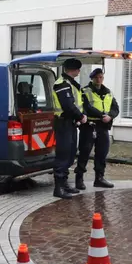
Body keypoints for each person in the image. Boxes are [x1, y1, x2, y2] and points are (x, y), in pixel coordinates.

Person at [75, 68, 119, 189]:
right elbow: (87, 107)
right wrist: (101, 115)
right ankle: (79, 179)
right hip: (89, 126)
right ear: (92, 78)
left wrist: (110, 116)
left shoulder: (108, 92)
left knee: (102, 154)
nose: (99, 80)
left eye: (101, 77)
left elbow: (115, 108)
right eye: (96, 78)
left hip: (103, 127)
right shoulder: (84, 91)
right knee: (84, 153)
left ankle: (99, 178)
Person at [52, 59, 87, 199]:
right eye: (78, 69)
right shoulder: (62, 84)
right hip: (63, 123)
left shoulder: (70, 84)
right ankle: (58, 188)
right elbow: (68, 105)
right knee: (63, 154)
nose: (79, 72)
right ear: (74, 69)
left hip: (70, 123)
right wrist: (81, 116)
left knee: (71, 154)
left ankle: (64, 184)